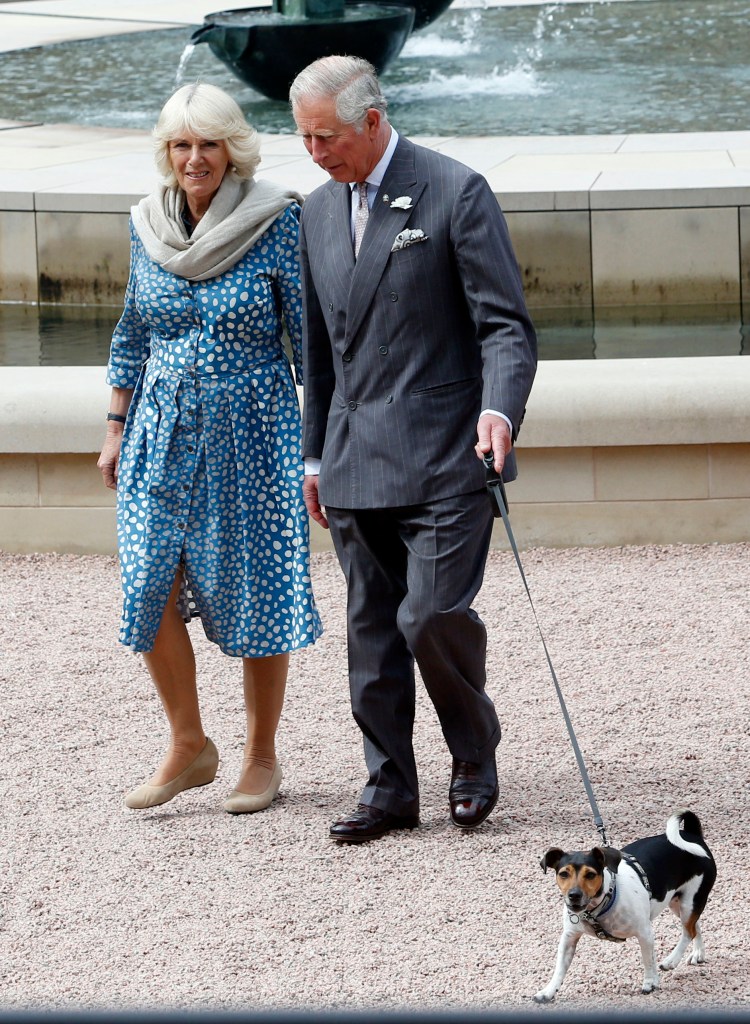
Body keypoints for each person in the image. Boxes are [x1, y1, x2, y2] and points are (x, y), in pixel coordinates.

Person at [289, 56, 537, 843]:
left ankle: (473, 755)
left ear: (371, 121)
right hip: (355, 455)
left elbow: (505, 326)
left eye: (325, 136)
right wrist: (314, 459)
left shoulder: (454, 191)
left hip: (448, 452)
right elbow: (322, 352)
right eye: (303, 138)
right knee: (371, 630)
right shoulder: (315, 213)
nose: (315, 152)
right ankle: (389, 787)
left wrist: (499, 410)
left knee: (429, 614)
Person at [98, 82, 321, 814]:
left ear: (233, 149)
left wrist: (320, 440)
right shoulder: (146, 223)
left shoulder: (277, 220)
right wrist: (114, 424)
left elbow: (310, 343)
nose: (195, 158)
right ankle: (189, 744)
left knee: (257, 587)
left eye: (209, 144)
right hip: (158, 427)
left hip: (253, 428)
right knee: (145, 584)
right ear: (168, 153)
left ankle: (261, 756)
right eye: (182, 145)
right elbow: (133, 327)